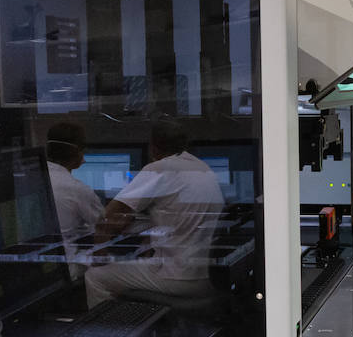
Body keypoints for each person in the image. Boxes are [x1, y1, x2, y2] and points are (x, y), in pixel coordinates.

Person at [85, 118, 225, 308]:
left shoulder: (159, 168)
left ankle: (112, 326)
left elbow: (107, 217)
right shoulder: (203, 168)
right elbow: (178, 217)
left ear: (153, 147)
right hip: (208, 277)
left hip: (177, 277)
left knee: (95, 276)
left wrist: (99, 256)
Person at [46, 118, 104, 261]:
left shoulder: (36, 177)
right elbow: (104, 224)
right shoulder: (77, 189)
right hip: (66, 262)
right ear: (78, 152)